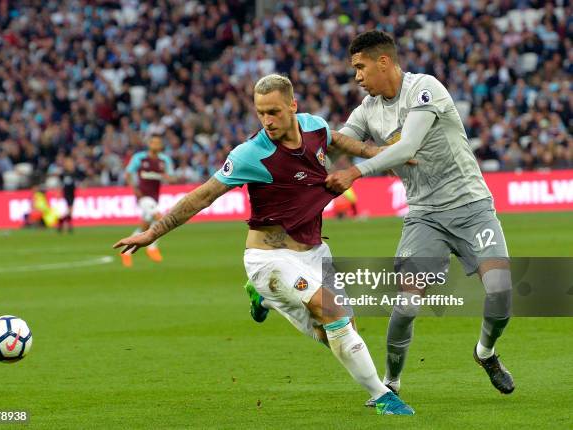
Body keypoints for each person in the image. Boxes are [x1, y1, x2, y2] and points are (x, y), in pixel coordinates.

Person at [114, 74, 415, 415]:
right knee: (329, 310)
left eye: (274, 111)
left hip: (315, 251)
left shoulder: (314, 126)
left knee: (336, 330)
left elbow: (341, 141)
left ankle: (266, 301)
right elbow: (203, 196)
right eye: (261, 113)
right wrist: (152, 233)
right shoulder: (251, 154)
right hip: (269, 257)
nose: (267, 121)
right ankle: (382, 396)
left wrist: (377, 153)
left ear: (292, 106)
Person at [324, 31, 515, 405]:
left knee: (500, 292)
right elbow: (336, 145)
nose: (357, 77)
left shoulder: (425, 89)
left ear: (384, 62)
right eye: (354, 70)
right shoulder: (366, 111)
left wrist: (357, 172)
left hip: (472, 207)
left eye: (361, 67)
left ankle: (485, 353)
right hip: (425, 217)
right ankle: (390, 382)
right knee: (407, 304)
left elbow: (408, 146)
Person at [122, 135, 176, 267]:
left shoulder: (164, 160)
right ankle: (152, 248)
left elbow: (173, 178)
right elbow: (128, 173)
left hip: (155, 197)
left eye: (158, 143)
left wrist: (166, 177)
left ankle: (126, 252)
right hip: (142, 196)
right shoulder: (139, 158)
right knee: (159, 217)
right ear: (149, 144)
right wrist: (134, 189)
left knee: (145, 227)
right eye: (154, 142)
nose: (156, 145)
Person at [58, 157, 83, 233]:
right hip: (66, 193)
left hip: (72, 193)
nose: (70, 164)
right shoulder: (64, 173)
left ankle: (62, 222)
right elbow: (61, 184)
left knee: (70, 211)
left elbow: (78, 182)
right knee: (70, 210)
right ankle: (67, 225)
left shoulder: (75, 172)